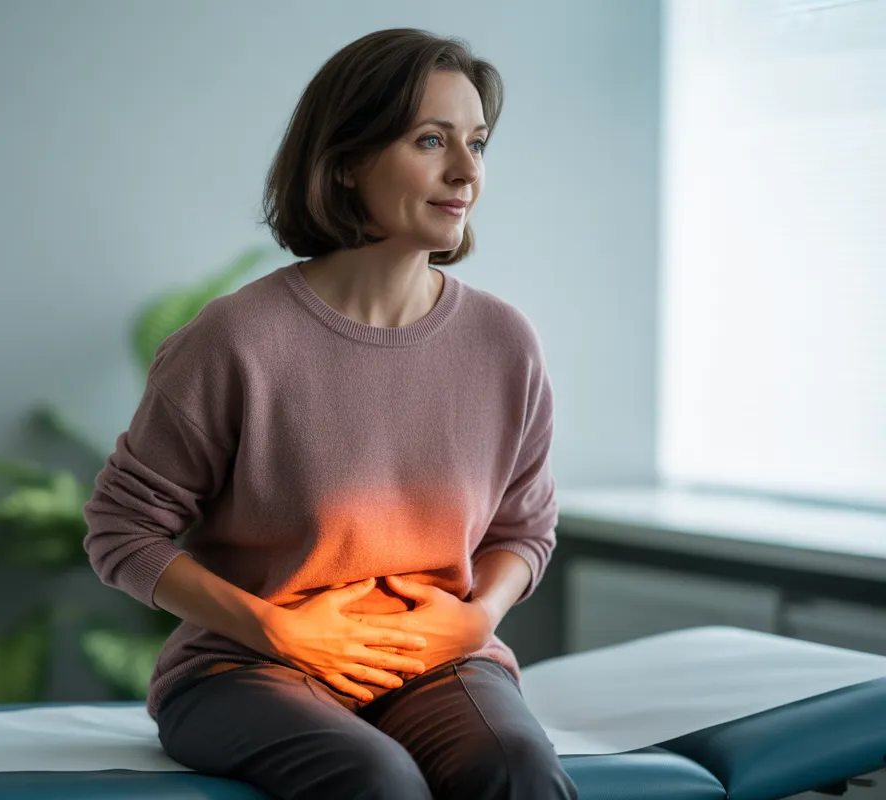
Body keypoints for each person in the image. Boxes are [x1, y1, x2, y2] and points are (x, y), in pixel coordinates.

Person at [82, 27, 577, 800]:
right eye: (430, 140)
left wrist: (478, 621)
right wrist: (275, 629)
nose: (466, 172)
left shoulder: (503, 343)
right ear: (346, 163)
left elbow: (525, 529)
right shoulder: (235, 339)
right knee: (373, 780)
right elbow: (121, 530)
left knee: (512, 768)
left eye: (477, 143)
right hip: (246, 667)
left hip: (438, 660)